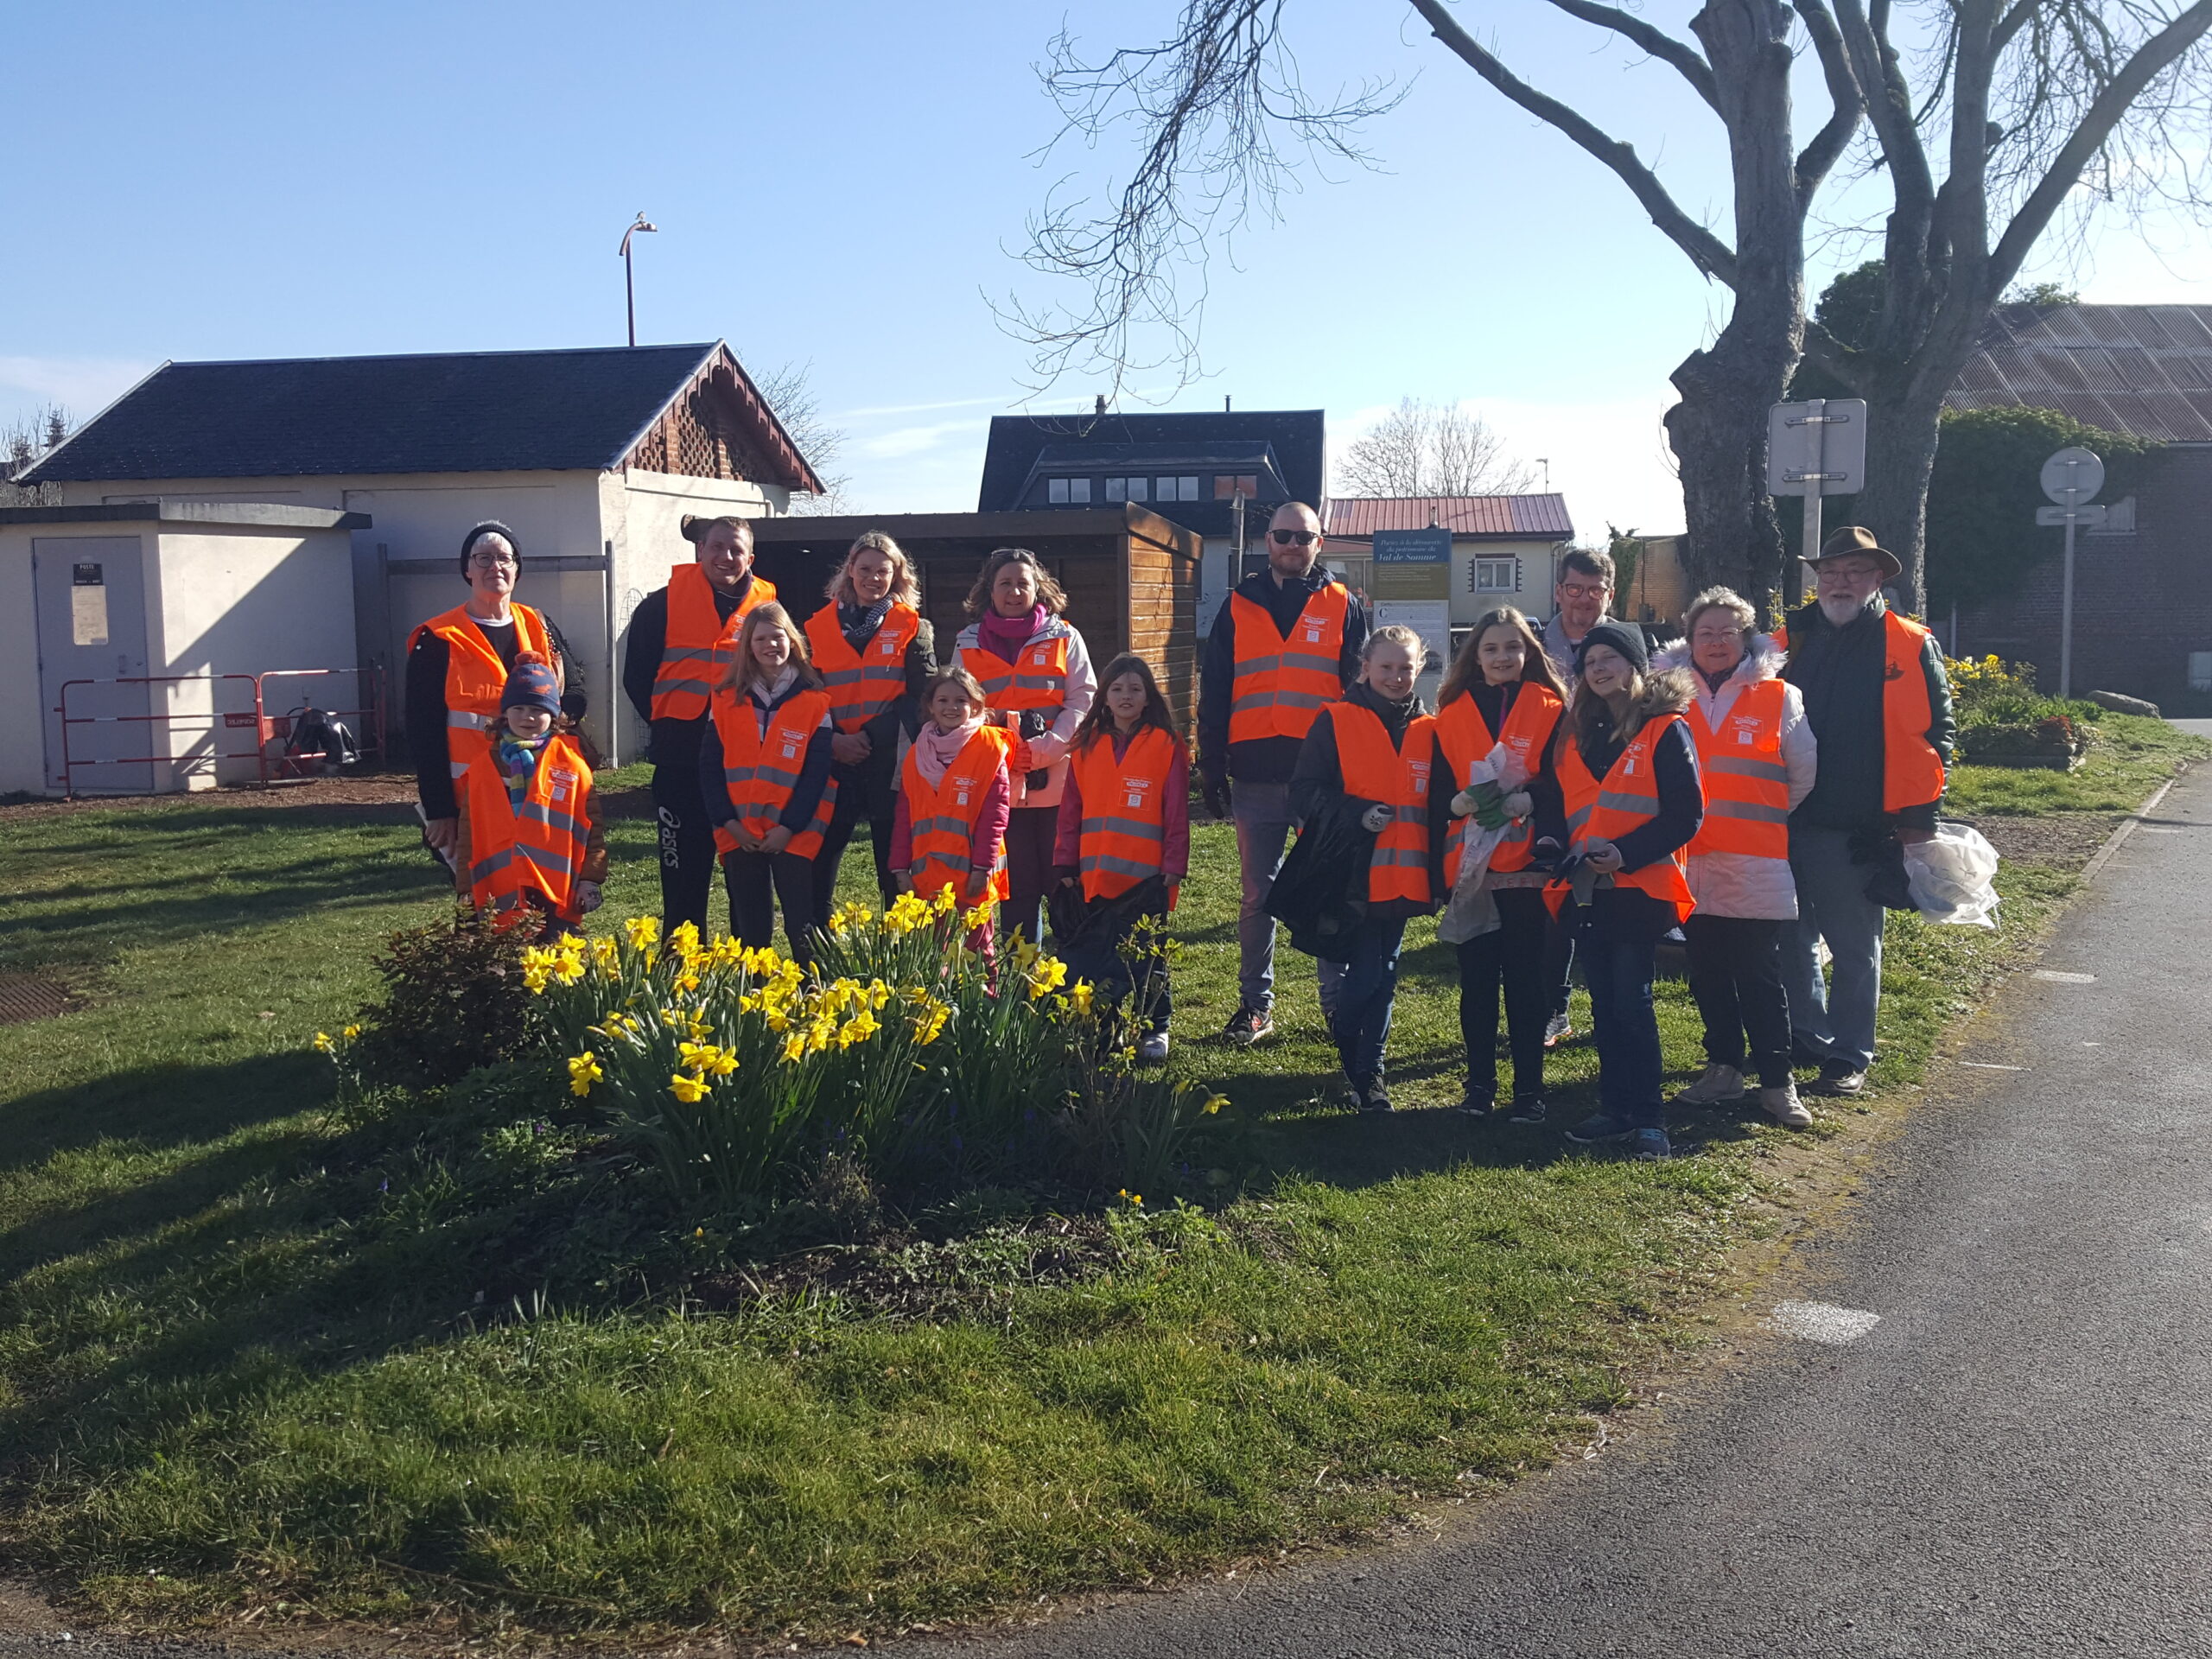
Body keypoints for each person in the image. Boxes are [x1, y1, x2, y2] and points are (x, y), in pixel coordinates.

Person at [1779, 526, 1955, 1098]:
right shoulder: (1791, 637)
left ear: (1878, 579)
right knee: (1791, 938)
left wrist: (1918, 820)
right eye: (1831, 572)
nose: (1841, 582)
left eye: (1855, 572)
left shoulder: (1908, 641)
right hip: (1781, 818)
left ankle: (1850, 1054)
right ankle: (1808, 1035)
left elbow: (1937, 734)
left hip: (1857, 824)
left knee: (1855, 947)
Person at [1197, 499, 1372, 1046]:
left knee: (1324, 887)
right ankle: (1255, 1005)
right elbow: (1216, 689)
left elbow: (1360, 694)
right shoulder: (1237, 605)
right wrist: (1211, 764)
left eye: (1304, 537)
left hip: (1322, 777)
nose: (1293, 545)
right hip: (1253, 772)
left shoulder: (1345, 605)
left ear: (1320, 544)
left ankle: (1337, 1004)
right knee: (1256, 894)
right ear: (1266, 541)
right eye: (1283, 536)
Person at [1658, 588, 1818, 1129]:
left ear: (1747, 638)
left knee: (1759, 976)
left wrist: (1757, 815)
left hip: (1755, 864)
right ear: (1690, 639)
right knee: (1707, 974)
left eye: (1728, 632)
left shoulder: (1780, 696)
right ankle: (1722, 1069)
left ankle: (1777, 1083)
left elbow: (1802, 775)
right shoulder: (1668, 695)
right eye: (1706, 632)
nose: (1716, 642)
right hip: (1689, 863)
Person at [1548, 622, 1703, 1161]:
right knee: (1606, 1005)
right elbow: (1562, 805)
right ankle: (1614, 1109)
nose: (1599, 668)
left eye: (1610, 657)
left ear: (1635, 666)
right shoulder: (1577, 733)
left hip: (1640, 887)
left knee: (1632, 1002)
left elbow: (1688, 814)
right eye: (1589, 662)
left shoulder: (1665, 728)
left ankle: (1650, 1121)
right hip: (1587, 889)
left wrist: (1627, 854)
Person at [1287, 626, 1438, 1113]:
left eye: (1405, 668)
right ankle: (1357, 1054)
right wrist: (1356, 813)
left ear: (1419, 668)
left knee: (1383, 972)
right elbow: (1304, 791)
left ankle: (1366, 1071)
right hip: (1348, 874)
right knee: (1371, 975)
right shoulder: (1335, 719)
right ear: (1365, 667)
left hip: (1404, 876)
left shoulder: (1429, 729)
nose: (1396, 677)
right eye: (1386, 667)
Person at [1432, 607, 1567, 1122]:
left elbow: (1564, 781)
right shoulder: (1450, 713)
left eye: (1513, 647)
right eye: (1491, 648)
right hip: (1472, 867)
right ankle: (1479, 1085)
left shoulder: (1553, 708)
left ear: (1528, 652)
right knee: (1478, 979)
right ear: (1476, 656)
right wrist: (1455, 805)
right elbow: (1437, 790)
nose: (1502, 657)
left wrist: (1532, 798)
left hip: (1528, 863)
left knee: (1527, 980)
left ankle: (1529, 1090)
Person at [621, 514, 779, 935]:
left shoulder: (769, 612)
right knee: (683, 871)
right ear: (700, 550)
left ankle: (750, 968)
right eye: (717, 547)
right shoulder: (661, 604)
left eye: (736, 550)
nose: (726, 557)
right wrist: (669, 725)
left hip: (746, 763)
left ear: (751, 557)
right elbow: (636, 677)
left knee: (746, 871)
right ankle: (681, 964)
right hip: (680, 758)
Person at [1535, 545, 1656, 1052]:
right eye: (1574, 589)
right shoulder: (1533, 643)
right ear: (1559, 591)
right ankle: (1555, 1006)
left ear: (1610, 594)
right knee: (1554, 898)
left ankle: (1610, 1010)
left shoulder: (1629, 644)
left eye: (1595, 590)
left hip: (1617, 790)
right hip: (1547, 780)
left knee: (1607, 905)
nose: (1583, 600)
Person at [407, 521, 578, 871]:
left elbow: (575, 692)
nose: (494, 567)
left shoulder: (539, 624)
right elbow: (423, 732)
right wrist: (440, 810)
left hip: (539, 795)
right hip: (470, 802)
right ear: (467, 570)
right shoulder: (438, 639)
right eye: (483, 558)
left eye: (504, 558)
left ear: (517, 568)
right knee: (480, 908)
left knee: (541, 901)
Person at [1052, 652, 1191, 1064]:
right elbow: (1070, 811)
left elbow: (1177, 812)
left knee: (1147, 957)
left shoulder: (1168, 745)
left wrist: (1173, 866)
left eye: (1135, 688)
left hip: (1147, 880)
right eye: (1117, 689)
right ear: (1104, 697)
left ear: (1148, 697)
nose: (1126, 695)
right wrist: (1065, 863)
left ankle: (1155, 1027)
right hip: (1095, 876)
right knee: (1099, 957)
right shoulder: (1085, 746)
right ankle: (1106, 1028)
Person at [955, 547, 1096, 944]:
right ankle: (1024, 986)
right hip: (999, 788)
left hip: (1059, 787)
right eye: (1005, 583)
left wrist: (1046, 750)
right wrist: (1004, 755)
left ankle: (1071, 983)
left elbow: (1083, 701)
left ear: (1039, 589)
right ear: (990, 590)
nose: (1014, 591)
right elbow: (959, 707)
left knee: (1064, 889)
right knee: (1016, 895)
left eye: (1023, 583)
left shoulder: (1066, 636)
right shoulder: (967, 643)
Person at [803, 531, 937, 924]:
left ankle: (898, 957)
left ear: (897, 575)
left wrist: (869, 736)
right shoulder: (816, 627)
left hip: (889, 760)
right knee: (820, 861)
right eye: (865, 570)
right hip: (834, 757)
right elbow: (807, 696)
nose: (873, 578)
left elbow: (923, 698)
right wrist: (835, 741)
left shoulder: (914, 626)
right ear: (850, 571)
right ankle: (817, 956)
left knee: (893, 866)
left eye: (883, 571)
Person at [700, 603, 835, 963]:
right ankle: (755, 1001)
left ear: (791, 640)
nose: (769, 645)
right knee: (750, 925)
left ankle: (812, 995)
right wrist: (730, 824)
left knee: (800, 923)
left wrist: (788, 827)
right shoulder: (724, 700)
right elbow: (710, 769)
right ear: (748, 647)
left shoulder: (816, 702)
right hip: (739, 833)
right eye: (760, 639)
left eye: (777, 637)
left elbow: (816, 774)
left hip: (793, 832)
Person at [453, 651, 607, 932]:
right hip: (496, 892)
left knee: (556, 966)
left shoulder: (572, 765)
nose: (528, 717)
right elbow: (468, 835)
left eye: (538, 710)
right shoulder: (483, 768)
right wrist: (465, 888)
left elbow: (591, 827)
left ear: (554, 715)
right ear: (505, 713)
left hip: (555, 893)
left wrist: (591, 879)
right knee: (498, 968)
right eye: (519, 709)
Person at [893, 665, 1017, 954]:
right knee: (934, 953)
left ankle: (984, 1000)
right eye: (943, 700)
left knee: (978, 953)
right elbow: (904, 815)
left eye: (960, 700)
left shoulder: (988, 749)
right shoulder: (917, 753)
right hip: (929, 875)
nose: (952, 707)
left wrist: (982, 868)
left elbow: (995, 817)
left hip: (972, 875)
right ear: (930, 706)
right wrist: (900, 868)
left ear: (975, 705)